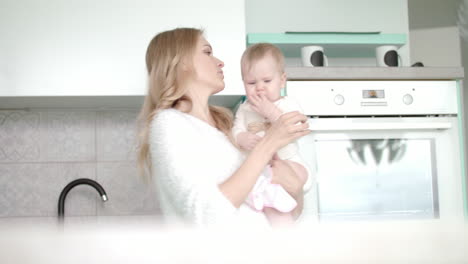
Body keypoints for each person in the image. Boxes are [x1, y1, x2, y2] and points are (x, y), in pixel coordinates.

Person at [137, 28, 310, 227]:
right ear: (182, 62)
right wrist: (269, 142)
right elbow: (204, 214)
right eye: (207, 52)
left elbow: (288, 211)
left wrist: (295, 189)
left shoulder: (224, 128)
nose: (220, 62)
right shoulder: (168, 123)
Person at [233, 43, 311, 226]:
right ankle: (280, 225)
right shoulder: (244, 109)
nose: (259, 88)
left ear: (282, 81)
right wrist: (241, 137)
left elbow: (299, 126)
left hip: (289, 162)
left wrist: (271, 112)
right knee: (270, 202)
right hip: (260, 171)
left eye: (267, 81)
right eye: (251, 83)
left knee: (300, 172)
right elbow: (235, 129)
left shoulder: (289, 104)